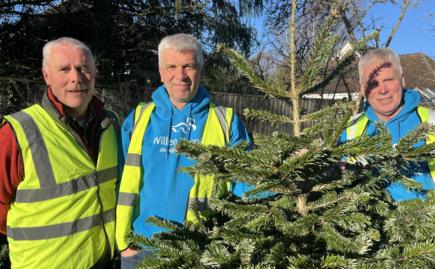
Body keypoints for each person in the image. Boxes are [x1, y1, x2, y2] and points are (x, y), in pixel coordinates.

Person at [116, 33, 253, 268]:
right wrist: (125, 246)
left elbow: (245, 181)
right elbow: (118, 179)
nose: (180, 76)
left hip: (202, 248)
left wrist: (285, 173)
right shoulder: (139, 118)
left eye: (188, 66)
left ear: (201, 69)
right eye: (172, 66)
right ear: (160, 71)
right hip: (141, 248)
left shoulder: (225, 121)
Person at [0, 37, 121, 269]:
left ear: (94, 74)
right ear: (46, 76)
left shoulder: (111, 124)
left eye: (83, 68)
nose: (76, 77)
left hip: (105, 262)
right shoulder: (17, 132)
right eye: (64, 69)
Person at [340, 47, 435, 201]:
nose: (383, 90)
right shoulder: (348, 132)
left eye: (388, 80)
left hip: (434, 222)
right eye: (373, 84)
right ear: (362, 89)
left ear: (402, 81)